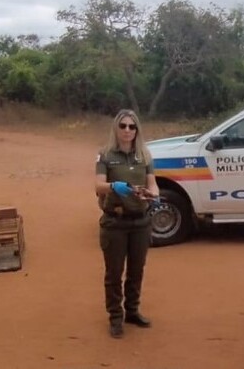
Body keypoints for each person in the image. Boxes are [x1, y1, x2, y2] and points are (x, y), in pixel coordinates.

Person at [94, 108, 160, 339]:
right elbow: (98, 185)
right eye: (123, 126)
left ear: (137, 130)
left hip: (140, 222)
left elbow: (153, 184)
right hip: (115, 222)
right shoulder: (105, 155)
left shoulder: (144, 155)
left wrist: (153, 194)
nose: (127, 130)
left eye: (132, 126)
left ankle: (132, 311)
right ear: (116, 128)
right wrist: (115, 186)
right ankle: (115, 316)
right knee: (114, 273)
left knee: (136, 270)